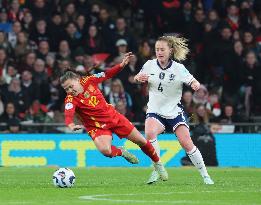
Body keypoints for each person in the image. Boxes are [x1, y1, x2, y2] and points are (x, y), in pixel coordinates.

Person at [60, 52, 168, 182]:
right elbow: (68, 114)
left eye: (71, 86)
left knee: (142, 141)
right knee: (105, 151)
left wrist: (121, 65)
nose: (70, 90)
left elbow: (107, 74)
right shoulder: (71, 99)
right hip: (96, 126)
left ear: (78, 79)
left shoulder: (89, 80)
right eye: (66, 89)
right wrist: (71, 125)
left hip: (113, 117)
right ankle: (122, 152)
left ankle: (158, 165)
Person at [134, 36, 214, 185]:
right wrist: (138, 78)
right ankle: (158, 169)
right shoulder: (149, 64)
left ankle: (205, 175)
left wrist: (196, 85)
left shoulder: (179, 68)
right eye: (157, 49)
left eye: (162, 49)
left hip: (174, 112)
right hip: (155, 111)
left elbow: (193, 81)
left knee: (186, 143)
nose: (159, 52)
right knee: (150, 132)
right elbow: (137, 77)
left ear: (170, 51)